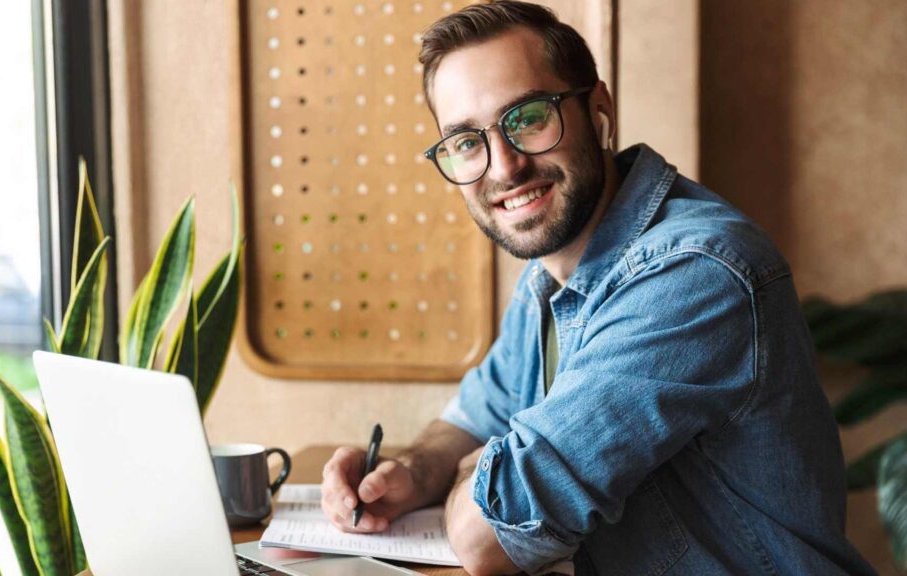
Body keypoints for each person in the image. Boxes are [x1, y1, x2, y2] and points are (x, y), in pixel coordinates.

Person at [320, 2, 875, 574]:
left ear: (600, 111)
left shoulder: (694, 274)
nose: (503, 167)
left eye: (527, 118)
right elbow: (473, 418)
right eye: (466, 141)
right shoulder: (549, 277)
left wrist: (477, 472)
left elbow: (486, 539)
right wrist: (410, 471)